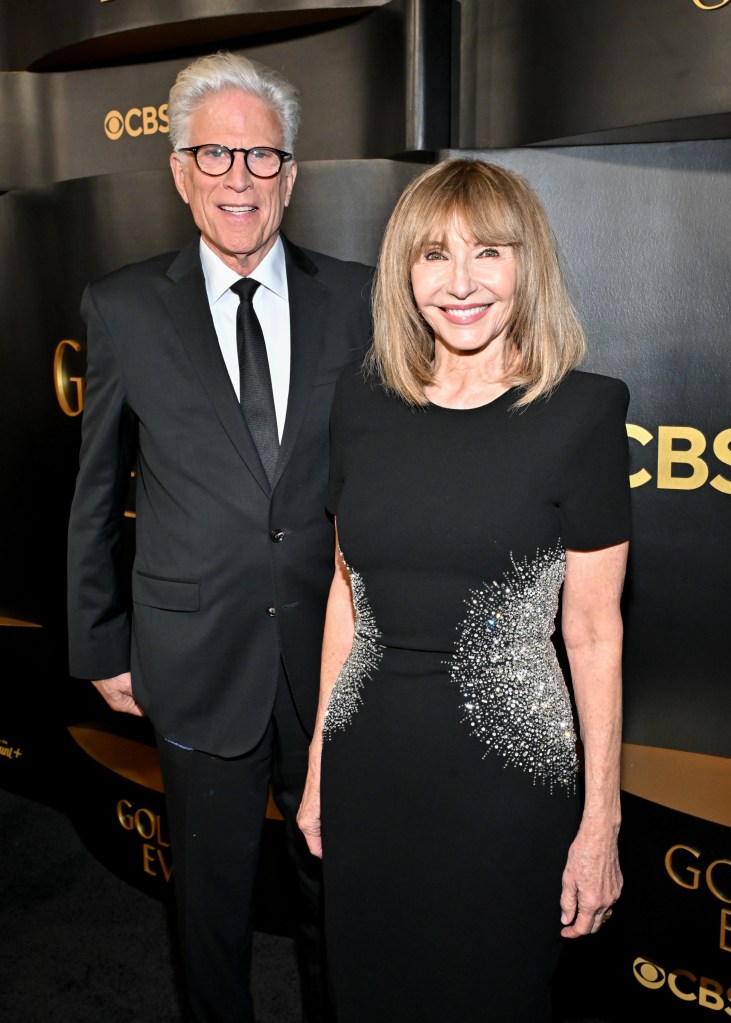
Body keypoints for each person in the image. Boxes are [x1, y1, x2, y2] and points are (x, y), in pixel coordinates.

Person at [66, 50, 372, 1023]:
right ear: (177, 170)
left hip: (331, 660)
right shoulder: (120, 309)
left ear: (291, 173)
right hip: (192, 654)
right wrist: (100, 641)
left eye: (260, 158)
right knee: (208, 912)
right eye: (215, 155)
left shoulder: (359, 299)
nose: (238, 179)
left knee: (341, 896)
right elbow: (92, 489)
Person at [297, 158, 630, 1022]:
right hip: (369, 767)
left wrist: (601, 823)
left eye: (488, 253)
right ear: (403, 272)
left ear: (528, 267)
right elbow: (345, 592)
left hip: (507, 784)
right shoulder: (360, 400)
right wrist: (316, 766)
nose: (459, 282)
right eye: (433, 254)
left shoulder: (582, 413)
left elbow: (593, 633)